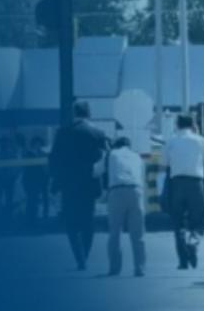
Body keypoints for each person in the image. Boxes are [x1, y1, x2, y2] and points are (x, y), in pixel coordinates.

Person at [48, 100, 109, 270]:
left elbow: (54, 159)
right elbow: (105, 158)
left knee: (71, 222)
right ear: (89, 113)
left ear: (74, 113)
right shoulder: (98, 133)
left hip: (69, 184)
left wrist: (55, 181)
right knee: (88, 221)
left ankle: (79, 256)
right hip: (90, 183)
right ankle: (85, 256)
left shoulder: (63, 132)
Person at [161, 114, 204, 270]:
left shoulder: (171, 141)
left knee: (178, 224)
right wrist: (197, 134)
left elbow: (164, 163)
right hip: (196, 184)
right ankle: (193, 243)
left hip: (176, 184)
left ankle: (183, 261)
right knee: (198, 221)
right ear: (193, 125)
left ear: (177, 125)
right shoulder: (200, 140)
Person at [100, 136, 146, 277]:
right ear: (129, 146)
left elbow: (97, 170)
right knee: (138, 234)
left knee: (115, 233)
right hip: (136, 191)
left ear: (116, 145)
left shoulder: (111, 154)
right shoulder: (137, 156)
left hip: (117, 192)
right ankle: (140, 268)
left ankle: (115, 269)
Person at [21, 135, 50, 225]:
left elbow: (47, 167)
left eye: (39, 144)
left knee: (45, 199)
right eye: (36, 144)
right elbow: (25, 167)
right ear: (33, 144)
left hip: (43, 179)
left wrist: (47, 175)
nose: (38, 145)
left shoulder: (44, 154)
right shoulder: (28, 154)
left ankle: (45, 217)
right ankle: (31, 219)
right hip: (31, 180)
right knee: (32, 199)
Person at [0, 135, 20, 216]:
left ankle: (8, 215)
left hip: (9, 180)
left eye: (5, 142)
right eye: (2, 143)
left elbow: (17, 168)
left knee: (9, 199)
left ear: (8, 144)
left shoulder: (12, 156)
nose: (3, 144)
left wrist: (13, 177)